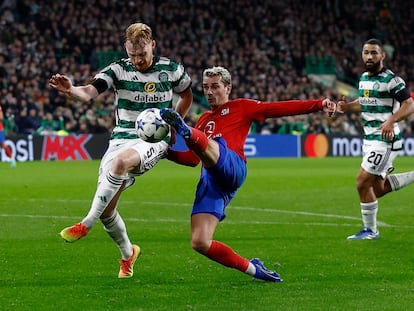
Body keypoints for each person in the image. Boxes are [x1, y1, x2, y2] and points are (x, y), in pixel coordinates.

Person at [160, 66, 336, 282]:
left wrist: (318, 104)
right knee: (200, 242)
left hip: (233, 165)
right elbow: (192, 160)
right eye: (205, 87)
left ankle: (184, 130)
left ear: (228, 88)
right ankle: (254, 269)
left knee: (216, 144)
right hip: (212, 182)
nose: (209, 92)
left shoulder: (241, 107)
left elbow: (278, 108)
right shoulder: (204, 120)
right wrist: (165, 153)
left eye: (215, 86)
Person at [48, 22, 193, 278]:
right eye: (132, 55)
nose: (137, 60)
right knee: (107, 210)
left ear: (153, 46)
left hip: (152, 140)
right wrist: (71, 90)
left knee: (119, 165)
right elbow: (89, 92)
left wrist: (173, 126)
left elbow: (187, 95)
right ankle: (128, 254)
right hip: (120, 139)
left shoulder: (171, 69)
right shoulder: (118, 69)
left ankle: (85, 224)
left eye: (142, 54)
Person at [337, 38, 414, 240]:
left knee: (362, 182)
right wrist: (347, 107)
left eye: (373, 53)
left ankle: (370, 231)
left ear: (382, 55)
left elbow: (409, 104)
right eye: (366, 52)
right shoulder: (363, 78)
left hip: (385, 139)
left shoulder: (392, 80)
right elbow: (363, 103)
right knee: (377, 189)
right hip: (369, 139)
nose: (369, 56)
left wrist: (391, 120)